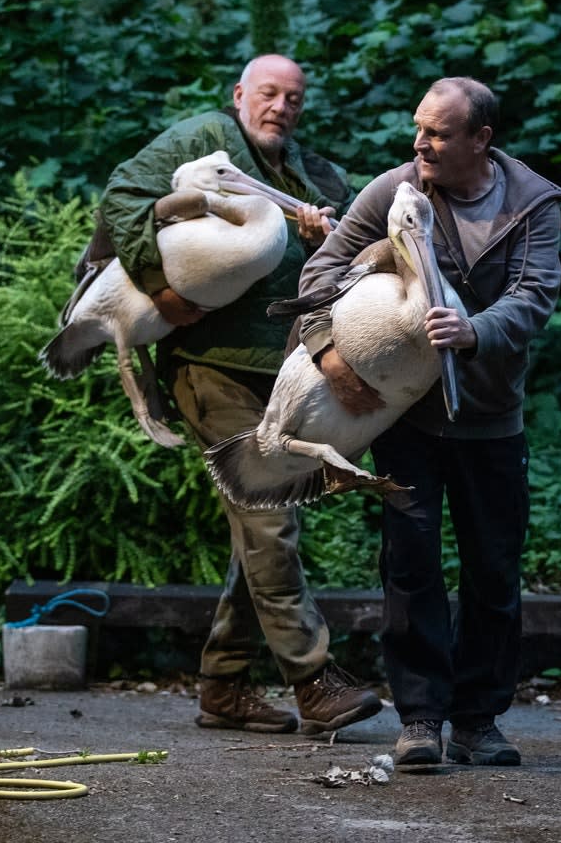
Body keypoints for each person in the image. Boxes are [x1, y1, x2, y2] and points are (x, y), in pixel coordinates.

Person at [99, 54, 383, 735]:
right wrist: (158, 285)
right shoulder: (204, 141)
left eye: (294, 98)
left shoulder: (315, 180)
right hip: (210, 365)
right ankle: (314, 680)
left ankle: (223, 685)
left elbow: (339, 279)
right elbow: (122, 196)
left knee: (259, 533)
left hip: (288, 375)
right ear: (240, 96)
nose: (281, 106)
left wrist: (328, 243)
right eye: (269, 93)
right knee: (269, 519)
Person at [297, 77, 561, 764]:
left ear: (482, 140)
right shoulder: (394, 190)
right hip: (407, 419)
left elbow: (536, 296)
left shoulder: (532, 204)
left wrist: (475, 330)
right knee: (410, 566)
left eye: (439, 134)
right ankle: (420, 719)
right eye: (418, 129)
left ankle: (478, 721)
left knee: (494, 571)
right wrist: (331, 355)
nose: (420, 145)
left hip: (491, 420)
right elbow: (321, 272)